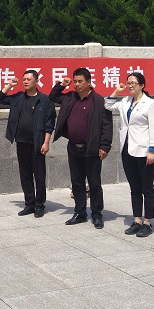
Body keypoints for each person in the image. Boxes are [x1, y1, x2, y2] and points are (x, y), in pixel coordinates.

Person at [50, 68, 113, 229]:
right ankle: (80, 212)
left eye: (80, 81)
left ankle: (97, 214)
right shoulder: (70, 97)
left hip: (92, 149)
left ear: (89, 82)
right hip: (73, 147)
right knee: (77, 182)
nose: (77, 84)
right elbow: (53, 96)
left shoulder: (99, 101)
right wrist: (62, 85)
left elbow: (107, 125)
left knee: (94, 183)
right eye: (75, 81)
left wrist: (105, 146)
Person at [105, 72, 154, 237]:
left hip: (144, 151)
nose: (130, 85)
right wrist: (117, 91)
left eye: (133, 83)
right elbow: (107, 105)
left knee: (147, 188)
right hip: (127, 149)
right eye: (128, 83)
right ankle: (137, 220)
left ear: (142, 85)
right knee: (134, 187)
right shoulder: (125, 102)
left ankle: (147, 222)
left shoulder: (150, 104)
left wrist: (152, 151)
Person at [0, 70, 57, 218]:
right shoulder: (18, 97)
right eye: (24, 79)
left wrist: (46, 142)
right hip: (21, 142)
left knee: (39, 176)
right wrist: (10, 85)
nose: (26, 81)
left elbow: (49, 123)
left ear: (36, 81)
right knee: (25, 175)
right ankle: (29, 204)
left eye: (29, 79)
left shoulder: (45, 100)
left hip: (37, 143)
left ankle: (40, 205)